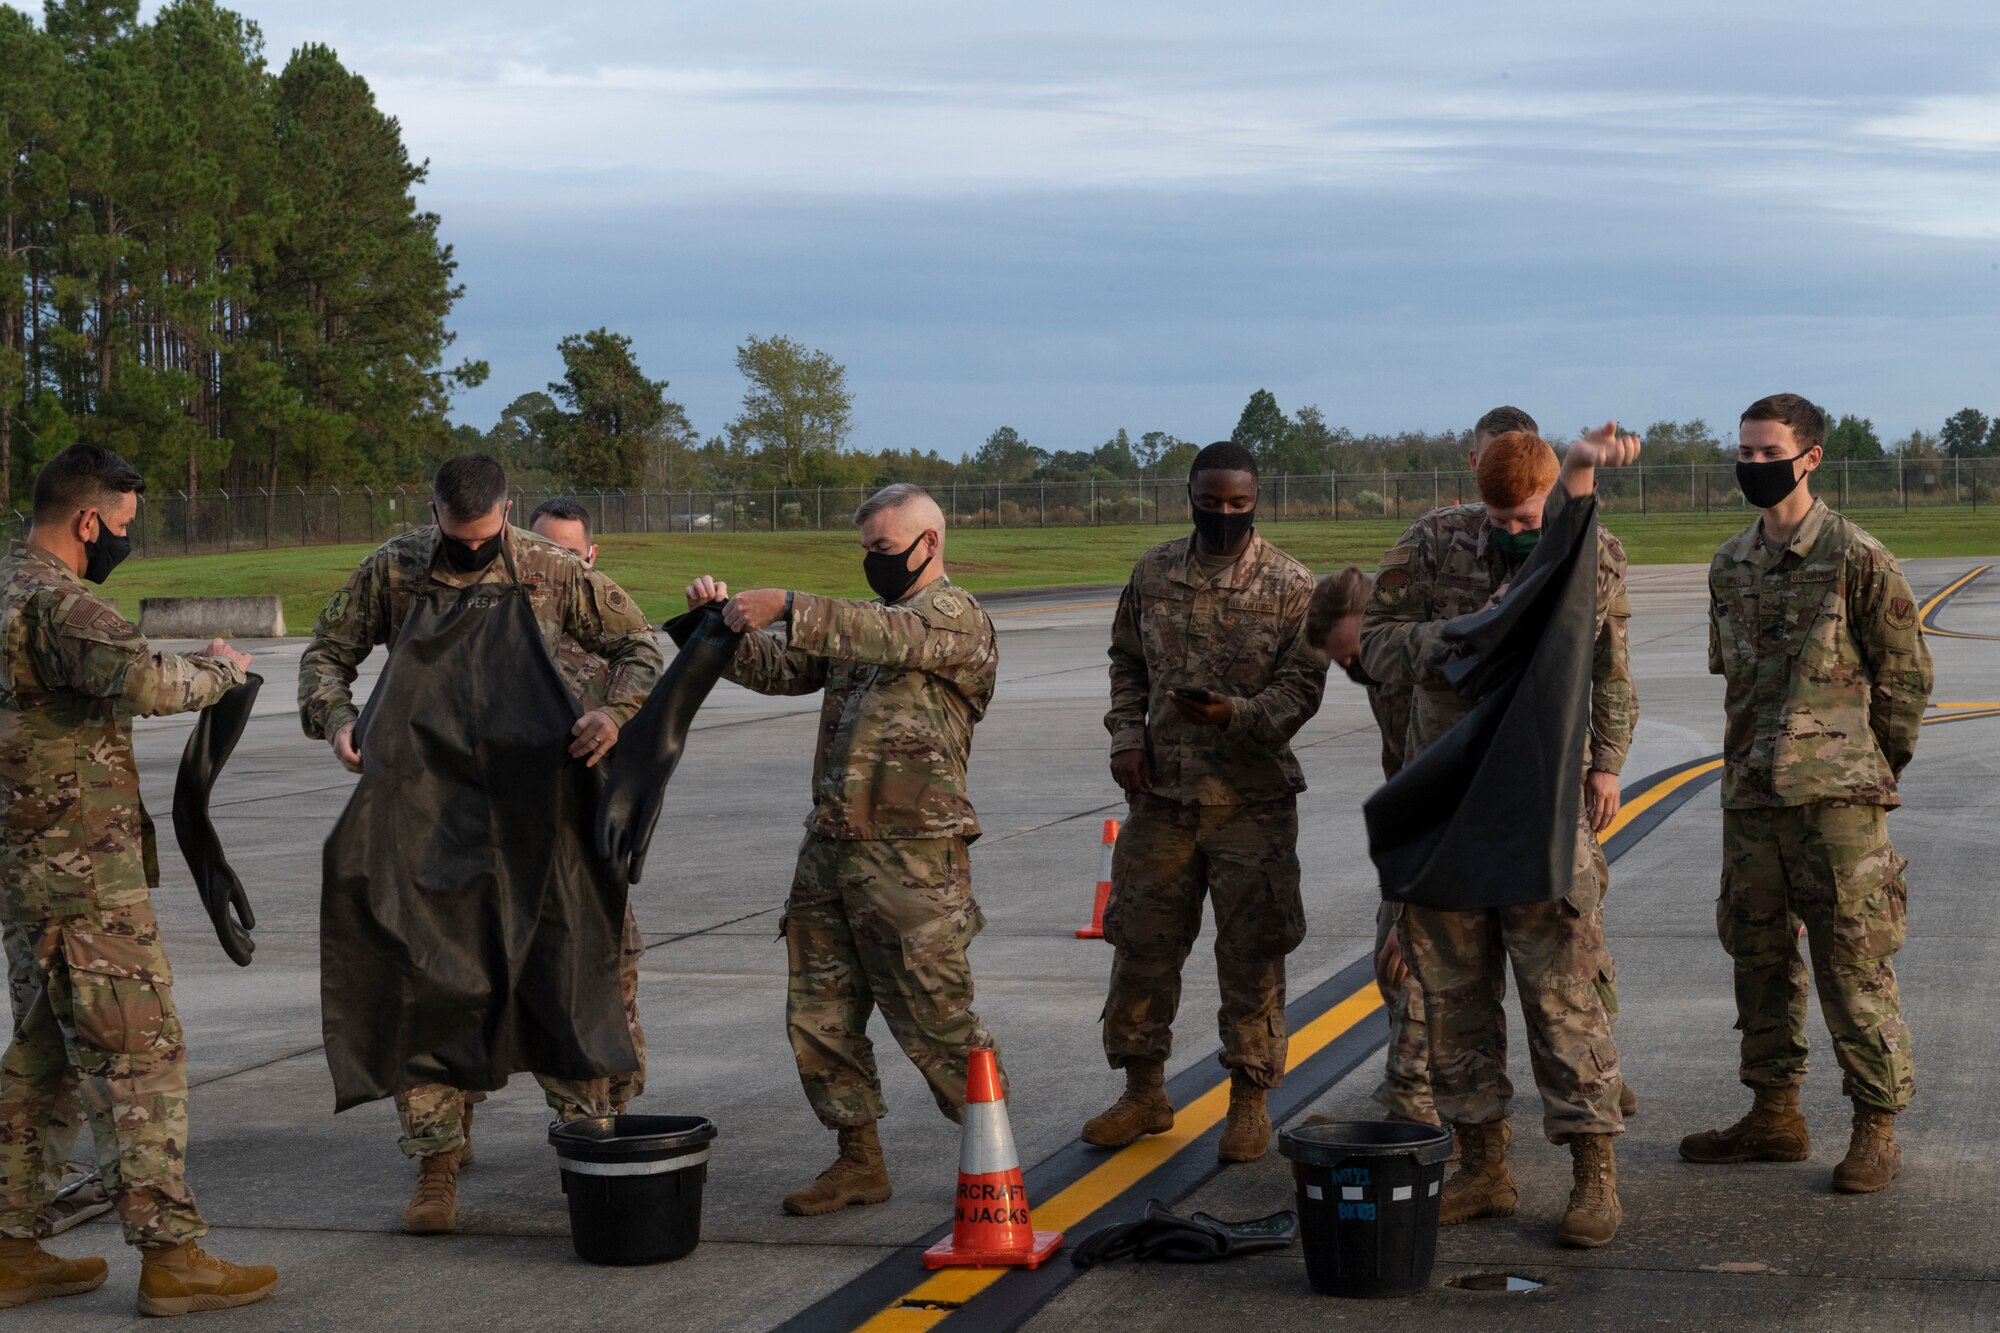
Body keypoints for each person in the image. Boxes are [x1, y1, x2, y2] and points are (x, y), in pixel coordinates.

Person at [298, 456, 661, 1235]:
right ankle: (435, 1164)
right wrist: (337, 721)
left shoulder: (552, 569)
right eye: (454, 536)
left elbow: (640, 648)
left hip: (542, 813)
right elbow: (326, 654)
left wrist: (612, 716)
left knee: (558, 976)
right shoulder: (391, 569)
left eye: (483, 535)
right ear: (431, 512)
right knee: (426, 984)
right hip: (426, 812)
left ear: (508, 511)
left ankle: (586, 1148)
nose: (468, 549)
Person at [0, 445, 277, 1315]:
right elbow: (151, 682)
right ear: (86, 521)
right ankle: (171, 1255)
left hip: (22, 872)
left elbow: (99, 678)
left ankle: (9, 1245)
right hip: (84, 879)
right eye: (120, 526)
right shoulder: (63, 601)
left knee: (42, 1061)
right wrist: (223, 670)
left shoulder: (9, 587)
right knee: (139, 1059)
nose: (122, 539)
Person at [683, 483, 1001, 1216]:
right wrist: (718, 624)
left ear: (931, 544)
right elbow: (780, 669)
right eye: (864, 550)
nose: (872, 562)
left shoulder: (955, 620)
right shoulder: (863, 630)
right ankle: (858, 1159)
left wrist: (791, 601)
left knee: (937, 1020)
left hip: (912, 860)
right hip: (831, 849)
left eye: (883, 549)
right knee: (820, 1016)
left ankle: (998, 1162)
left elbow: (884, 635)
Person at [1360, 424, 1640, 1249]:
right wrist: (1455, 633)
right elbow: (1375, 642)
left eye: (1528, 516)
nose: (1516, 530)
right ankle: (1485, 1167)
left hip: (1543, 799)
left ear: (1552, 493)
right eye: (1501, 518)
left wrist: (1607, 763)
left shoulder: (1591, 546)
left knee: (1564, 996)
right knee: (1451, 999)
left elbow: (1611, 664)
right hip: (1450, 801)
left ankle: (1594, 1173)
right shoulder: (1431, 543)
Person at [1679, 393, 1932, 1193]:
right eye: (1745, 452)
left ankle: (1875, 1125)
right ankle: (1775, 1114)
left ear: (1810, 456)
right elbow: (1735, 684)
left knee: (1852, 962)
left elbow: (1906, 680)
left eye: (1768, 452)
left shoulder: (1859, 557)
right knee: (1756, 959)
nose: (1754, 464)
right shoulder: (1729, 564)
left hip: (1838, 808)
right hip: (1751, 799)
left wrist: (1863, 771)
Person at [1082, 441, 1326, 1165]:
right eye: (1211, 500)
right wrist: (1128, 733)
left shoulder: (1290, 584)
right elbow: (1126, 660)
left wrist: (1239, 714)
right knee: (1142, 946)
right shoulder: (1154, 571)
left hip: (1250, 801)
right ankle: (1143, 1092)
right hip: (1160, 796)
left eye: (1238, 504)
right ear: (1189, 493)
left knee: (1251, 953)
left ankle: (1249, 1100)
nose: (1224, 514)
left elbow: (1303, 688)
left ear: (1257, 500)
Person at [525, 498, 648, 1122]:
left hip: (589, 852)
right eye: (539, 554)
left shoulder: (618, 660)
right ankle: (445, 1144)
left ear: (590, 559)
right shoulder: (503, 642)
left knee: (608, 989)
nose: (554, 569)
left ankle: (614, 1123)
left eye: (568, 557)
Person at [1305, 567, 1433, 1128]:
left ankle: (1414, 1113)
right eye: (1341, 664)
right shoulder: (1386, 677)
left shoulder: (1426, 667)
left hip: (1466, 832)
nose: (1354, 670)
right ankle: (1426, 1092)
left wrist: (1413, 907)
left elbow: (1436, 791)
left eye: (1354, 654)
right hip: (1422, 833)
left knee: (1414, 961)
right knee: (1391, 952)